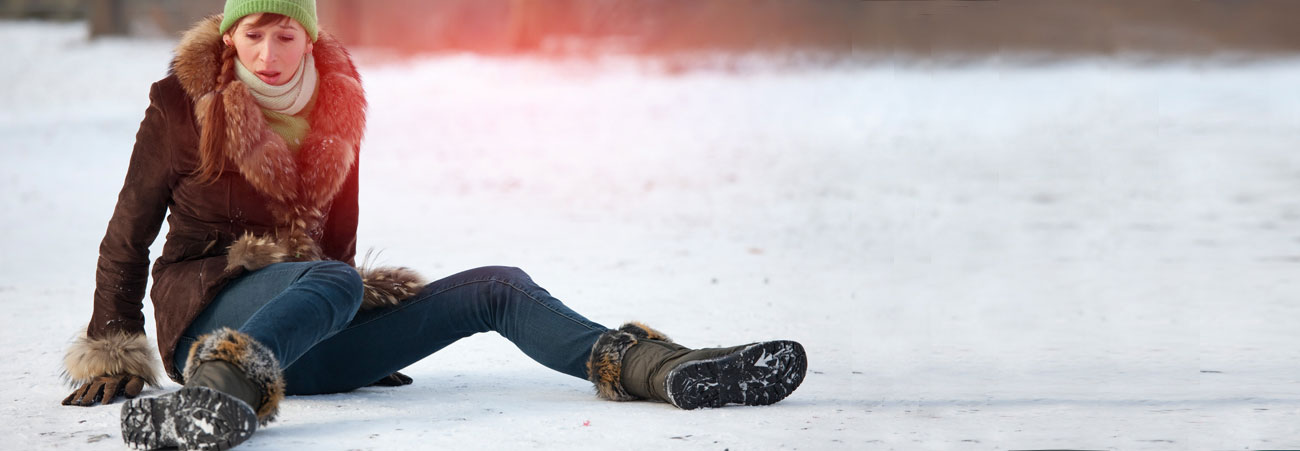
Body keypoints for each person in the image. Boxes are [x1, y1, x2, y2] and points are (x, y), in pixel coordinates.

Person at [58, 1, 807, 449]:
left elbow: (336, 242)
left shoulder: (338, 110)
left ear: (309, 39)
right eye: (254, 34)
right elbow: (127, 234)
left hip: (305, 337)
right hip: (205, 317)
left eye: (286, 35)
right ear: (229, 39)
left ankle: (663, 370)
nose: (270, 52)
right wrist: (115, 349)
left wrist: (350, 324)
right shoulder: (178, 106)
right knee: (331, 278)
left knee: (498, 286)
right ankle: (216, 399)